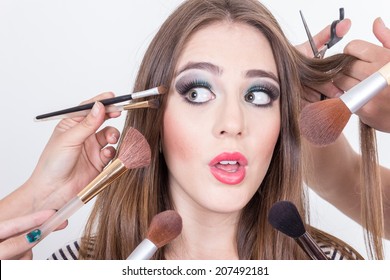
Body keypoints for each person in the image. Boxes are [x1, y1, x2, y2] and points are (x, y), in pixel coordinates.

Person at [1, 0, 389, 260]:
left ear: (284, 120)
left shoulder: (329, 263)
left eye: (258, 95)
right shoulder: (78, 265)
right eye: (198, 92)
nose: (233, 125)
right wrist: (37, 199)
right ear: (155, 117)